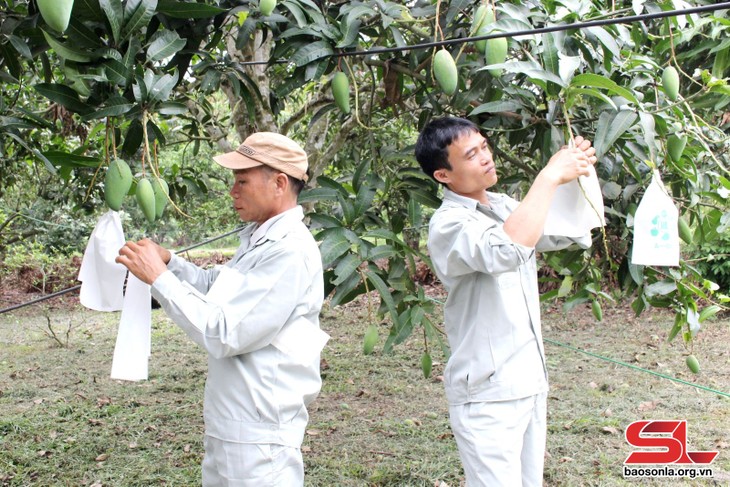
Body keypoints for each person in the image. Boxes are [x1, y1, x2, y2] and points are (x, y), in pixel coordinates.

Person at [116, 132, 327, 486]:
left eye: (242, 180)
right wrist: (171, 264)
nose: (233, 191)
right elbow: (220, 288)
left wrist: (159, 279)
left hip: (259, 434)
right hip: (233, 423)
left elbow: (224, 332)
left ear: (278, 183)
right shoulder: (260, 238)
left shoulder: (289, 251)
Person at [414, 116, 597, 486]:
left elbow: (565, 232)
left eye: (484, 146)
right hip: (487, 392)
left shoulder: (501, 205)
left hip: (528, 381)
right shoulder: (448, 224)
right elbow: (507, 250)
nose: (485, 157)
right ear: (443, 175)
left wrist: (577, 171)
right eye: (471, 154)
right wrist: (546, 178)